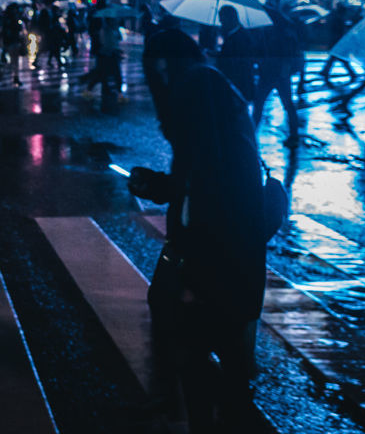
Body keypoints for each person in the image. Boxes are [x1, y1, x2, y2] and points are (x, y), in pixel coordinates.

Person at [128, 28, 267, 432]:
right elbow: (203, 167)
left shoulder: (196, 86)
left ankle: (204, 413)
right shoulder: (205, 82)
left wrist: (178, 206)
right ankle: (200, 405)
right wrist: (160, 185)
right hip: (225, 229)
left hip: (212, 235)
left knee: (195, 327)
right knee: (196, 319)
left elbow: (209, 169)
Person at [252, 5, 302, 143]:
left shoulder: (278, 33)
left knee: (262, 105)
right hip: (273, 74)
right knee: (283, 105)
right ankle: (293, 135)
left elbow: (286, 55)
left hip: (275, 75)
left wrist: (281, 74)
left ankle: (293, 135)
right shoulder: (275, 32)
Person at [215, 5, 255, 105]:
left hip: (239, 85)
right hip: (236, 85)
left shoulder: (240, 37)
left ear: (230, 18)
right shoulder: (234, 35)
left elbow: (236, 62)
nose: (221, 22)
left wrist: (219, 56)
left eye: (222, 19)